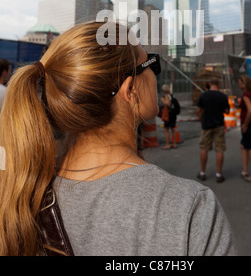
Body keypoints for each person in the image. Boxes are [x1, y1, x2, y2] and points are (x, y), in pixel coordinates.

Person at [0, 21, 237, 256]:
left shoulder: (23, 193)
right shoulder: (190, 209)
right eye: (151, 63)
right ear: (131, 88)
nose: (156, 76)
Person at [196, 79, 229, 183]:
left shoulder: (203, 95)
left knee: (204, 148)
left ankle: (202, 173)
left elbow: (198, 110)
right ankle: (218, 174)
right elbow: (227, 111)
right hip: (219, 125)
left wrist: (202, 119)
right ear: (218, 85)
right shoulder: (223, 96)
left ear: (210, 85)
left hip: (206, 125)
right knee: (219, 149)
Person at [160, 84, 177, 150]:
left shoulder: (166, 96)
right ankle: (174, 144)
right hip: (173, 114)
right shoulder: (171, 95)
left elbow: (168, 104)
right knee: (173, 129)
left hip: (169, 115)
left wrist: (162, 100)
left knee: (166, 129)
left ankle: (167, 145)